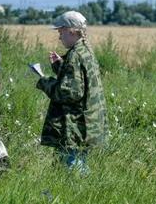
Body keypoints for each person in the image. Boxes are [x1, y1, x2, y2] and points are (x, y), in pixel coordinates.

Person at [34, 11, 107, 173]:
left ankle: (83, 195)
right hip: (88, 122)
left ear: (71, 31)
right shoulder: (86, 50)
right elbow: (81, 80)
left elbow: (70, 93)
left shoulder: (75, 55)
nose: (60, 37)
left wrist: (45, 82)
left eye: (61, 32)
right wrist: (60, 65)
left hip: (75, 124)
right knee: (75, 163)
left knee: (71, 167)